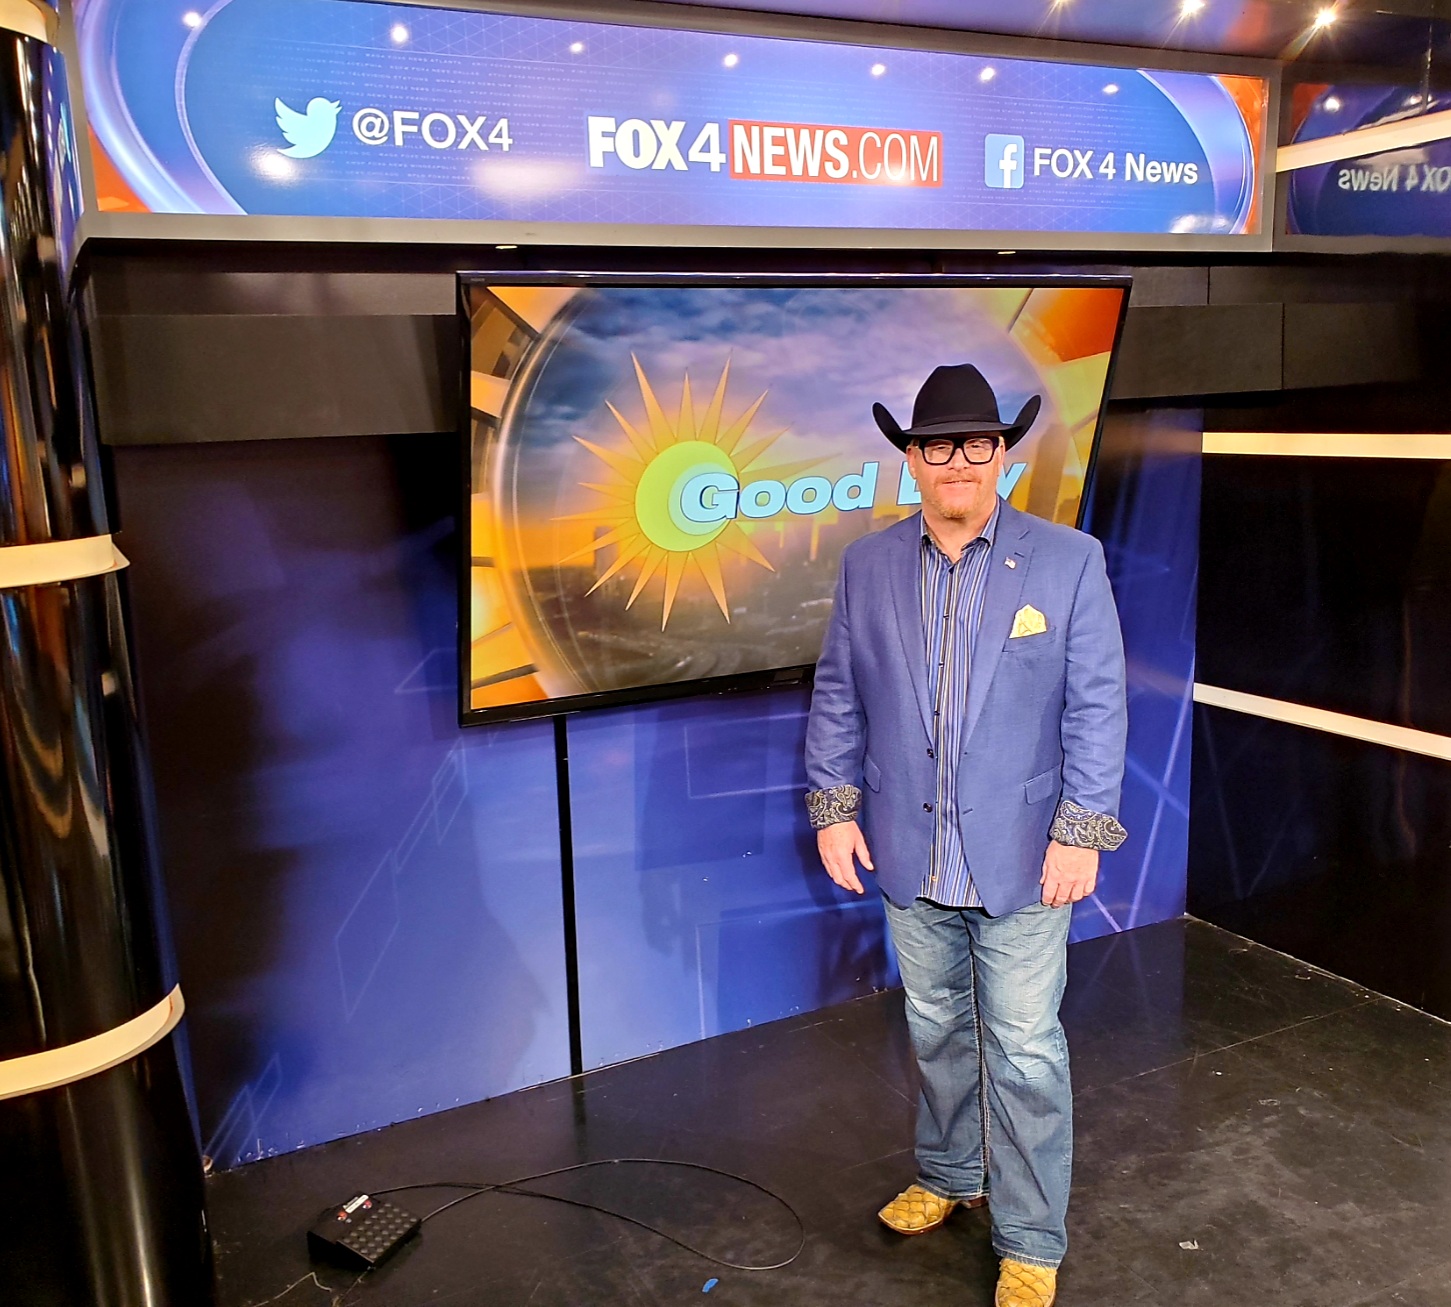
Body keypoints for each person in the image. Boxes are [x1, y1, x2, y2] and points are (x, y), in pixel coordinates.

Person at [803, 364, 1128, 1307]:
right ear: (911, 459)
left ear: (1000, 453)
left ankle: (1030, 1240)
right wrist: (835, 807)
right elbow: (838, 695)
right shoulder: (866, 565)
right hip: (909, 853)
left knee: (1024, 1050)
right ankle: (949, 1174)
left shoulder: (1068, 560)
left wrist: (1080, 832)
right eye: (936, 445)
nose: (957, 461)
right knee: (937, 1028)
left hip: (1028, 857)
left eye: (975, 444)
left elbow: (1097, 707)